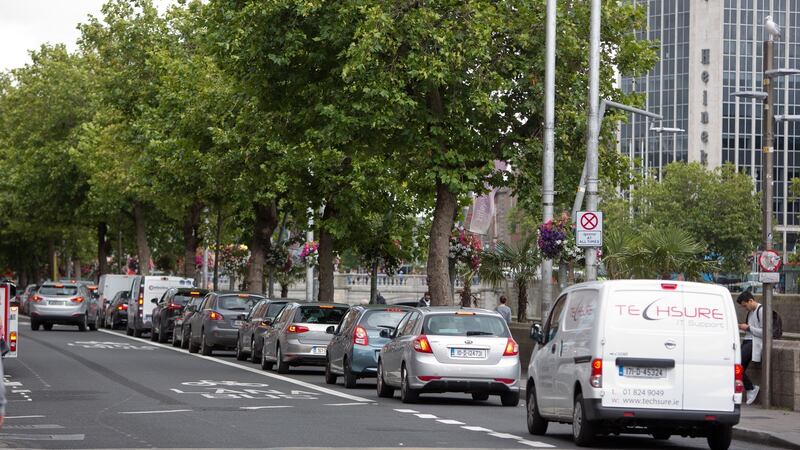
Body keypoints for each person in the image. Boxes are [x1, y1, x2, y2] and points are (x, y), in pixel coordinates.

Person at [737, 290, 762, 405]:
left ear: (751, 300)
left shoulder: (761, 311)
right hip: (747, 341)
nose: (745, 308)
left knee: (736, 367)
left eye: (745, 305)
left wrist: (748, 328)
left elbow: (765, 332)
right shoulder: (751, 312)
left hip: (753, 342)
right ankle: (750, 388)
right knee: (737, 368)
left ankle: (751, 388)